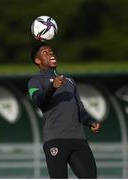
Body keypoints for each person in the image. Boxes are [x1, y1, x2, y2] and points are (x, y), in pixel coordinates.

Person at [28, 42, 101, 179]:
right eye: (45, 52)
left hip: (78, 139)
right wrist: (52, 87)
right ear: (37, 60)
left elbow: (79, 108)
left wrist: (91, 121)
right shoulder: (35, 81)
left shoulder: (69, 81)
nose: (50, 53)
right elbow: (39, 101)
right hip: (55, 139)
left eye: (51, 51)